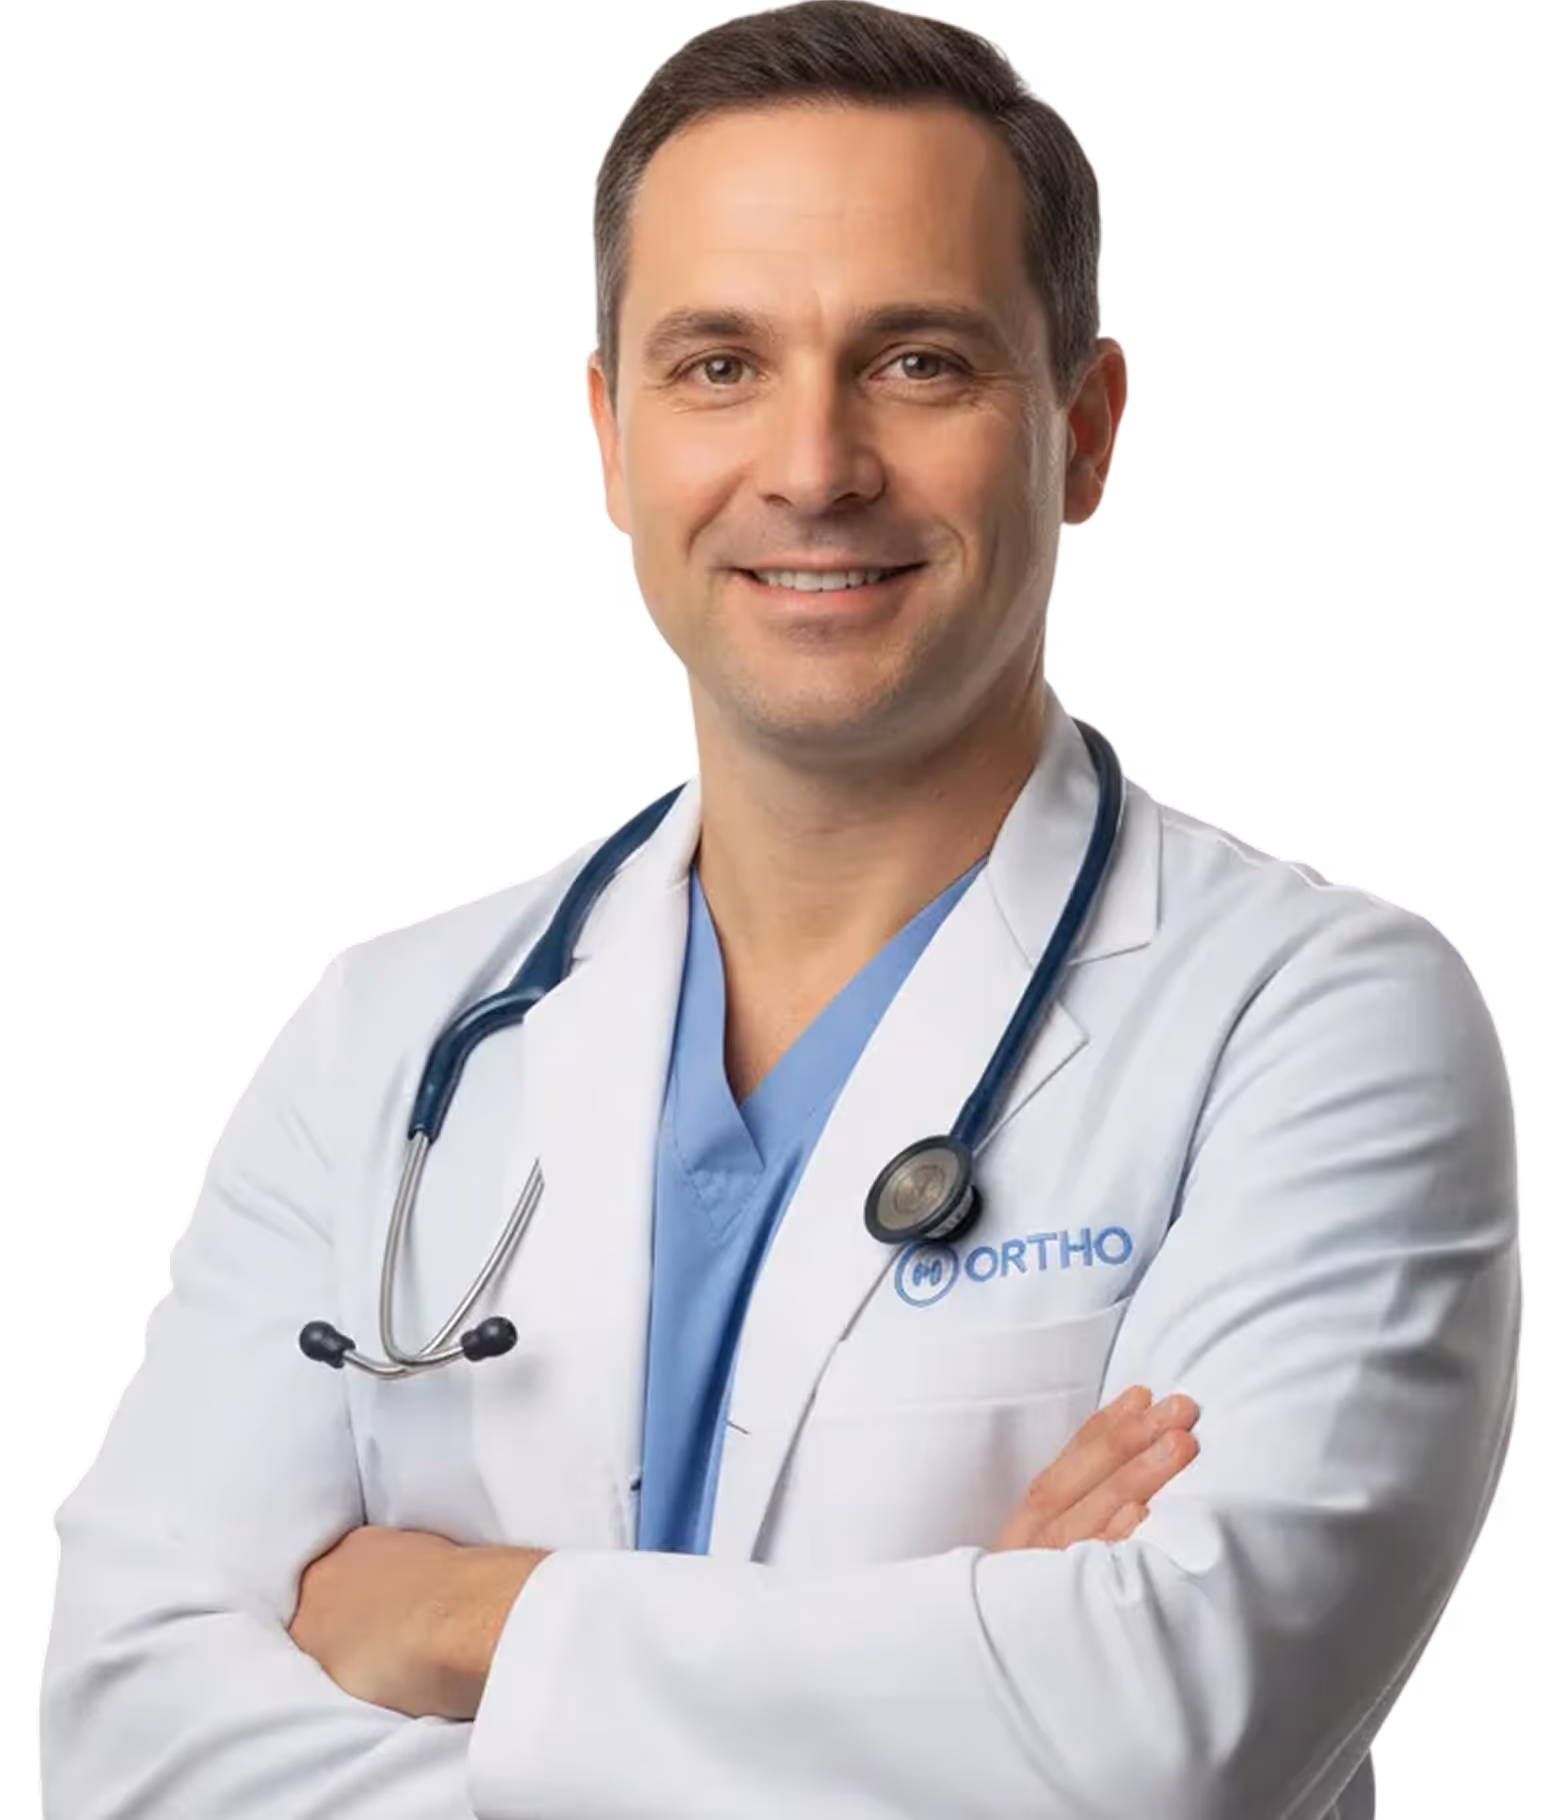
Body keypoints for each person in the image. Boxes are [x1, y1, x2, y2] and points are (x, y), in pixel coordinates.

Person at [40, 3, 1520, 1816]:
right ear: (609, 436)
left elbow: (1167, 1744)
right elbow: (125, 1743)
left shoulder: (1318, 1016)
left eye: (917, 362)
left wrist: (454, 1619)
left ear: (1084, 431)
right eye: (720, 364)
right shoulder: (388, 1031)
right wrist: (960, 1670)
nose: (813, 467)